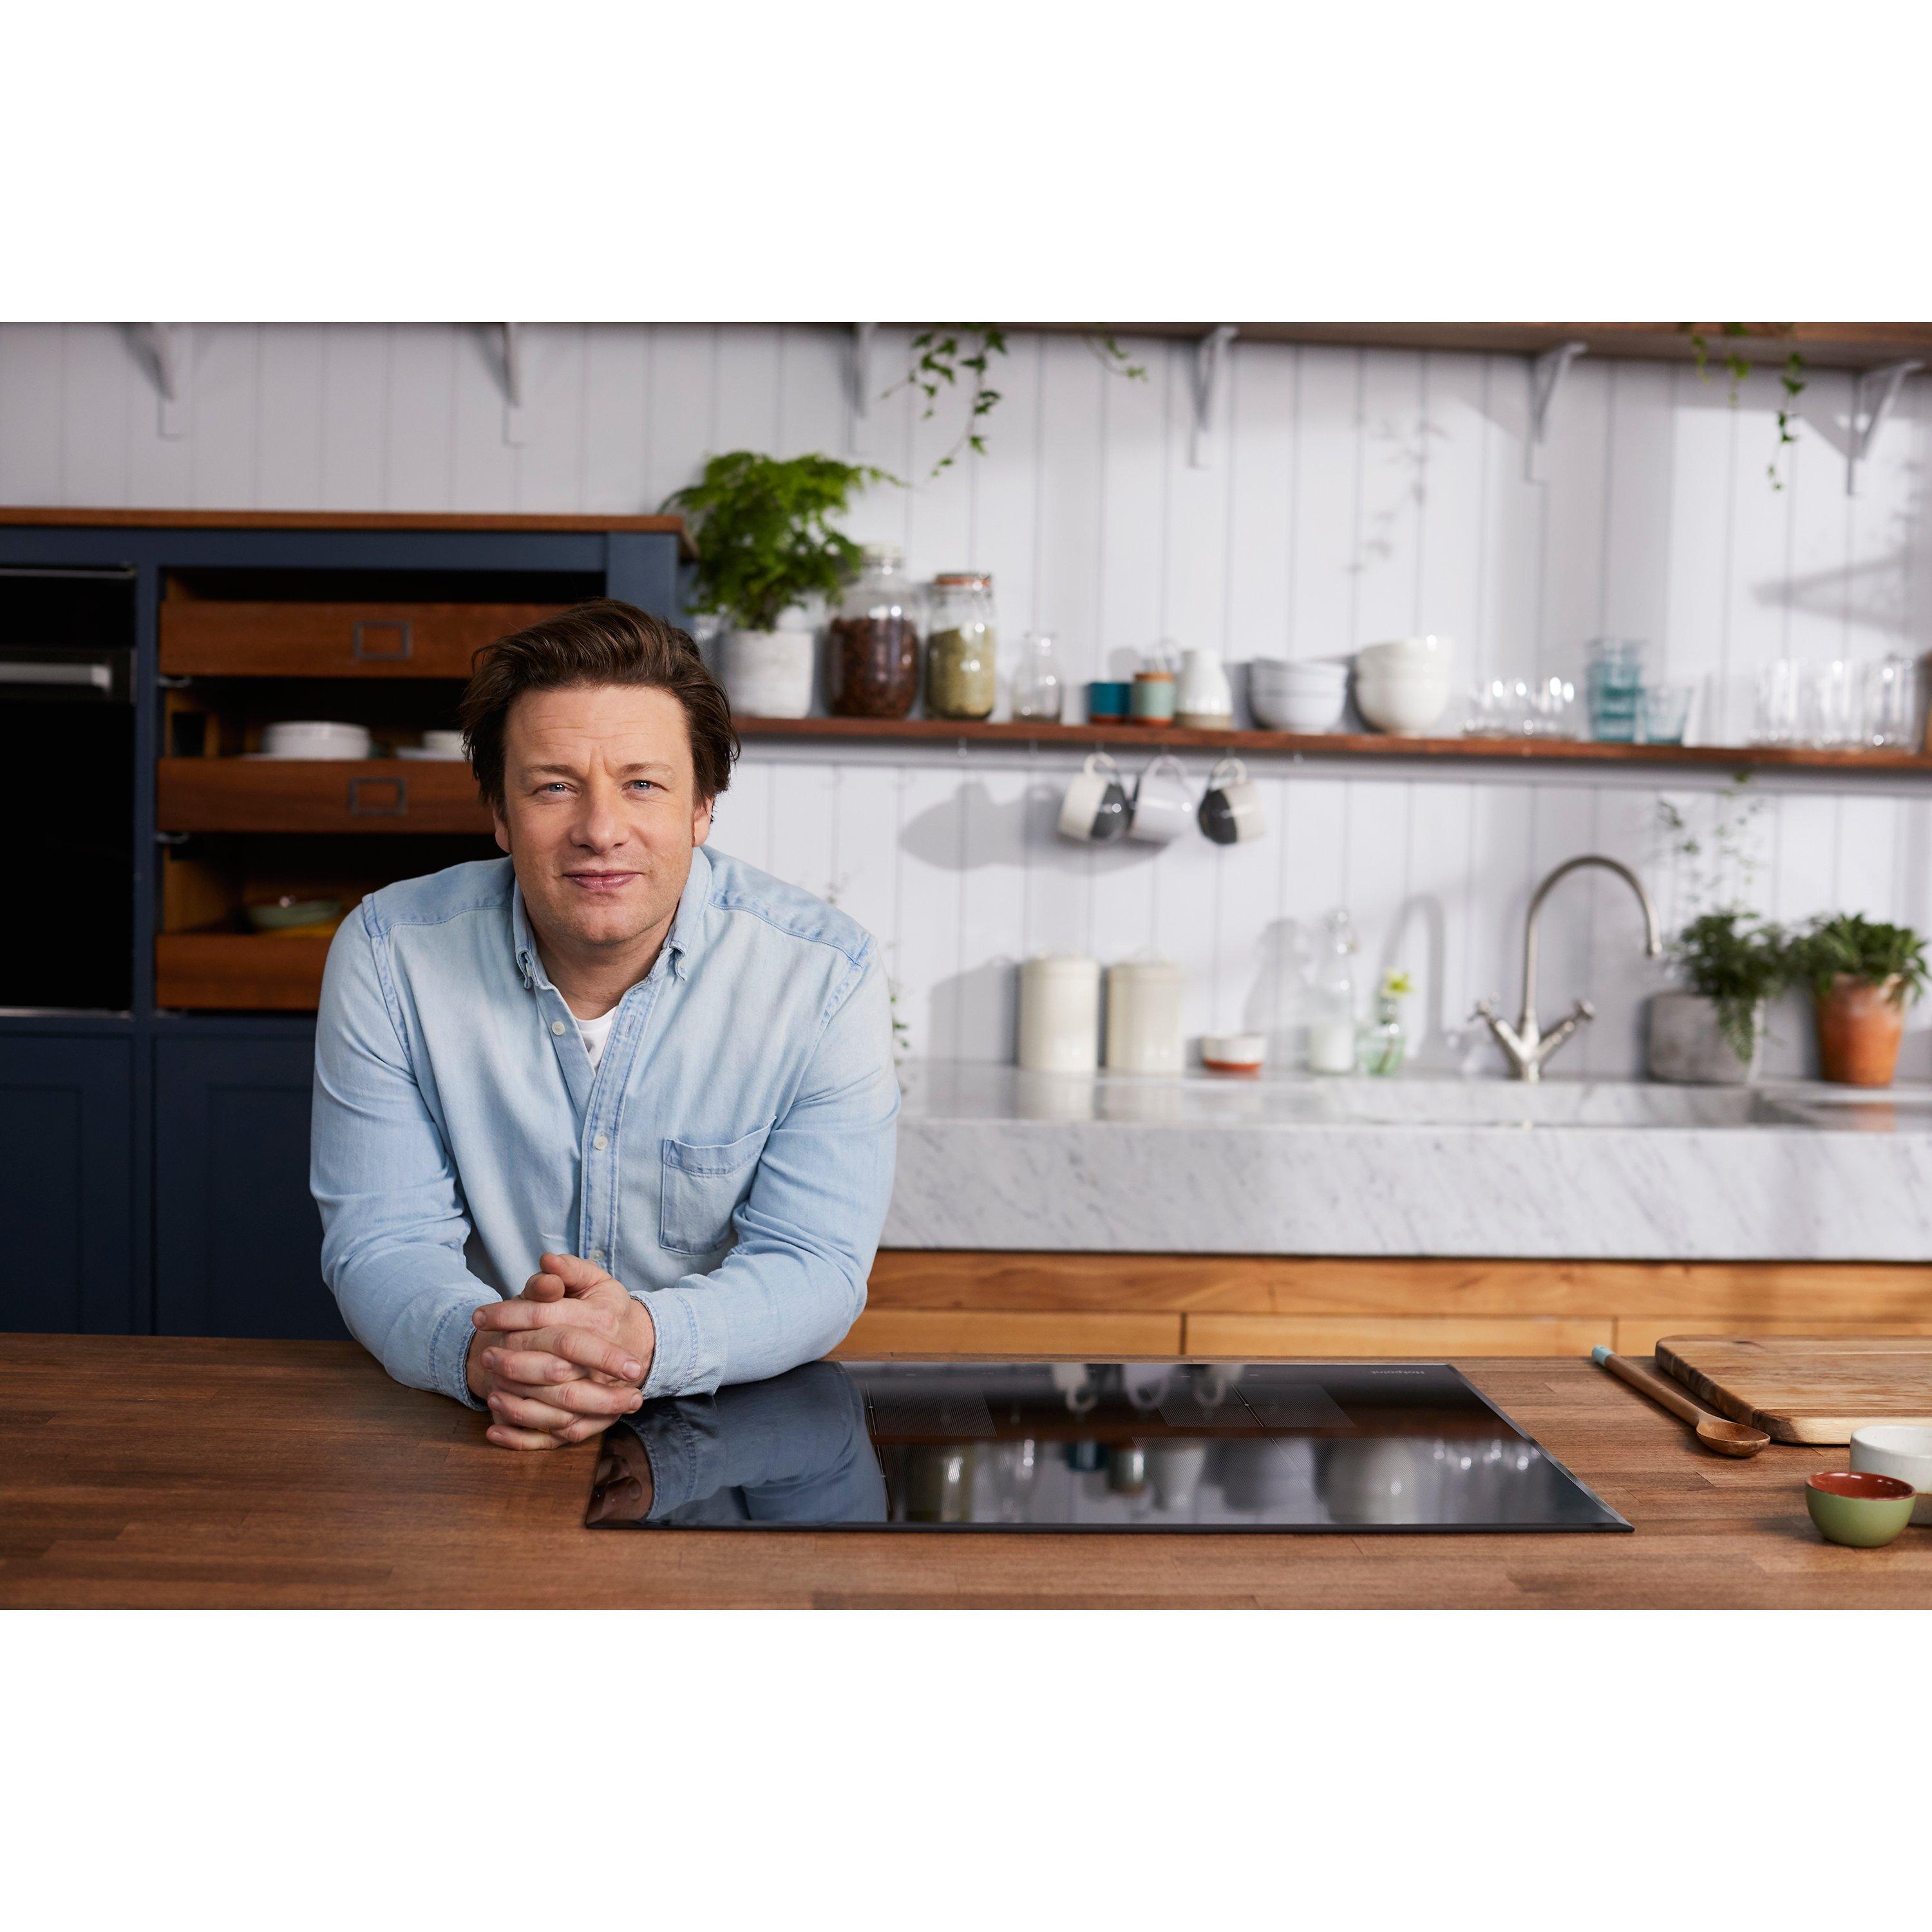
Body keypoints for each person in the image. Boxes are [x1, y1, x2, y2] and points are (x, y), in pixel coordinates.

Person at [310, 599, 899, 1451]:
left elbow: (817, 1265)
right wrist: (490, 1357)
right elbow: (384, 1241)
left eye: (642, 784)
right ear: (501, 814)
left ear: (702, 807)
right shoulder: (388, 954)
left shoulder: (823, 976)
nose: (600, 831)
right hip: (475, 1429)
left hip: (727, 1446)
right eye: (554, 786)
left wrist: (641, 1344)